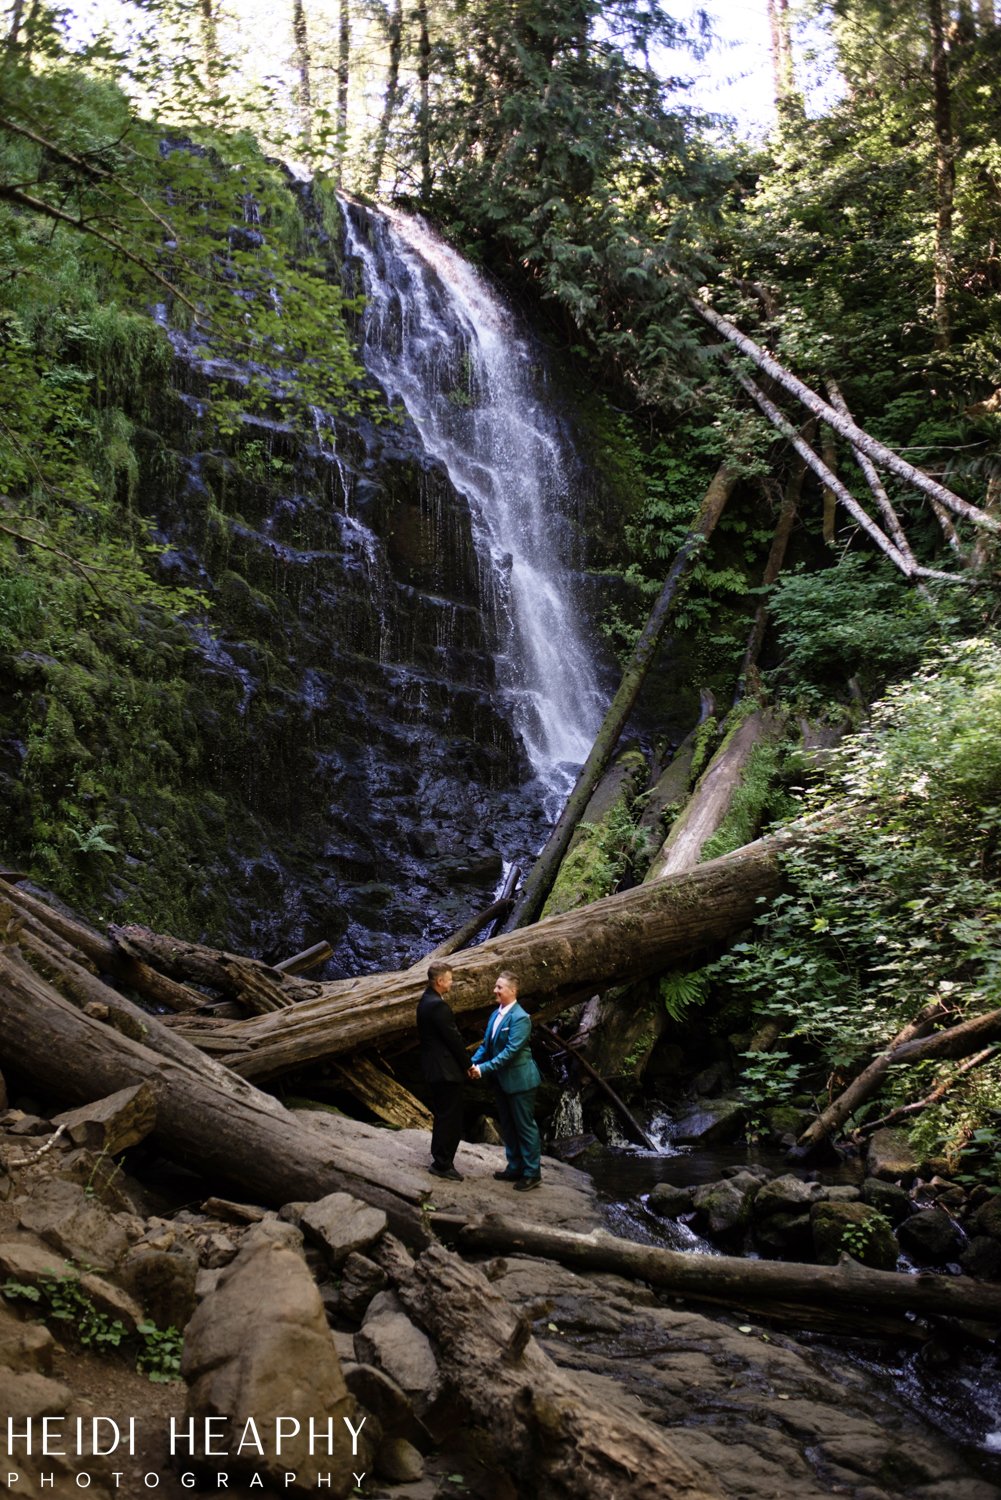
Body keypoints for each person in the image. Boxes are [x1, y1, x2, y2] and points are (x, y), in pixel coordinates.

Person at [470, 970, 542, 1190]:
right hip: (501, 1082)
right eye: (496, 986)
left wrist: (482, 1069)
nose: (495, 990)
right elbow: (486, 1046)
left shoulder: (521, 1018)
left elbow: (510, 1052)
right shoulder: (496, 1013)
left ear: (513, 991)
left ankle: (532, 1173)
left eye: (499, 987)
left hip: (520, 1082)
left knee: (525, 1126)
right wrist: (470, 1063)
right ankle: (514, 1167)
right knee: (508, 1126)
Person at [416, 960, 469, 1181]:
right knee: (450, 1117)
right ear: (439, 981)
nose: (452, 983)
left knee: (443, 1115)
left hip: (434, 1067)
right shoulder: (438, 1006)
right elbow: (454, 1040)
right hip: (445, 1070)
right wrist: (469, 1065)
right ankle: (442, 1163)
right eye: (449, 979)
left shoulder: (425, 1000)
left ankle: (441, 1159)